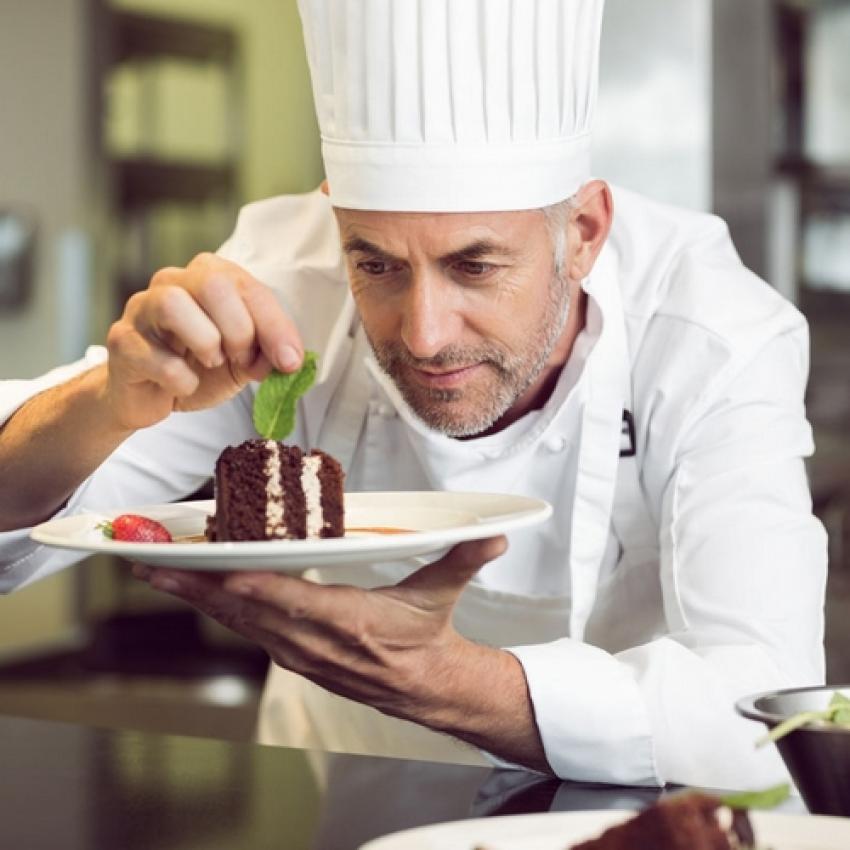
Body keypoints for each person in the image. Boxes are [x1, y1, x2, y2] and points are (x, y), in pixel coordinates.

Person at [0, 0, 827, 790]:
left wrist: (448, 682)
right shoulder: (285, 285)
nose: (424, 333)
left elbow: (771, 705)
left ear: (582, 234)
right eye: (378, 265)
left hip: (632, 811)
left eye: (475, 266)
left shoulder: (712, 334)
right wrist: (106, 403)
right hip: (332, 797)